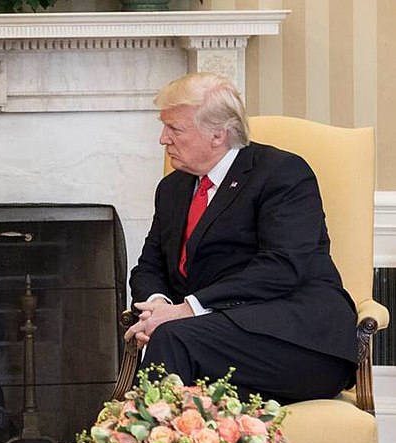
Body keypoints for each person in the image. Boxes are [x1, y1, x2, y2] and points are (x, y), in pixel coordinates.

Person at [125, 72, 358, 403]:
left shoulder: (282, 174)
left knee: (173, 339)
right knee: (172, 342)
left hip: (298, 342)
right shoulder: (173, 188)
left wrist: (187, 309)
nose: (163, 139)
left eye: (175, 129)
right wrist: (158, 307)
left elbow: (281, 267)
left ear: (218, 135)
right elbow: (149, 266)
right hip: (214, 340)